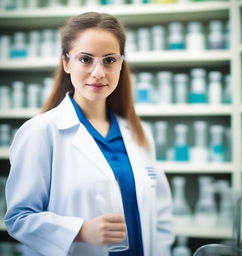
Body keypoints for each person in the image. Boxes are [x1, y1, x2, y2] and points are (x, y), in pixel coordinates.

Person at [4, 12, 174, 256]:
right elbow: (19, 219)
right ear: (66, 63)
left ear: (121, 63)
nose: (98, 73)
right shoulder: (40, 132)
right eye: (85, 59)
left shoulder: (139, 133)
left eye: (109, 60)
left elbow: (160, 215)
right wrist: (80, 231)